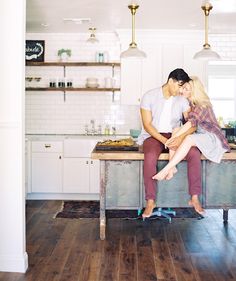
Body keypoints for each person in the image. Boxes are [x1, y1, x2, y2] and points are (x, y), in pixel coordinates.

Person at [153, 76, 230, 213]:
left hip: (212, 138)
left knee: (187, 138)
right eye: (183, 88)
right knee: (176, 129)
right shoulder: (192, 105)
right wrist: (174, 135)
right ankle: (172, 168)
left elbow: (190, 124)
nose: (183, 90)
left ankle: (167, 168)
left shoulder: (202, 105)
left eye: (186, 89)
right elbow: (185, 125)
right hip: (202, 136)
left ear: (194, 91)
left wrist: (172, 139)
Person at [137, 68, 201, 218]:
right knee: (151, 155)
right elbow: (147, 125)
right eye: (179, 85)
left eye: (183, 86)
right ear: (170, 81)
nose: (181, 90)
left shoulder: (183, 100)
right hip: (154, 136)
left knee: (194, 153)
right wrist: (166, 141)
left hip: (175, 135)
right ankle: (150, 200)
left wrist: (179, 138)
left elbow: (192, 123)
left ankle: (194, 197)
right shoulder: (149, 96)